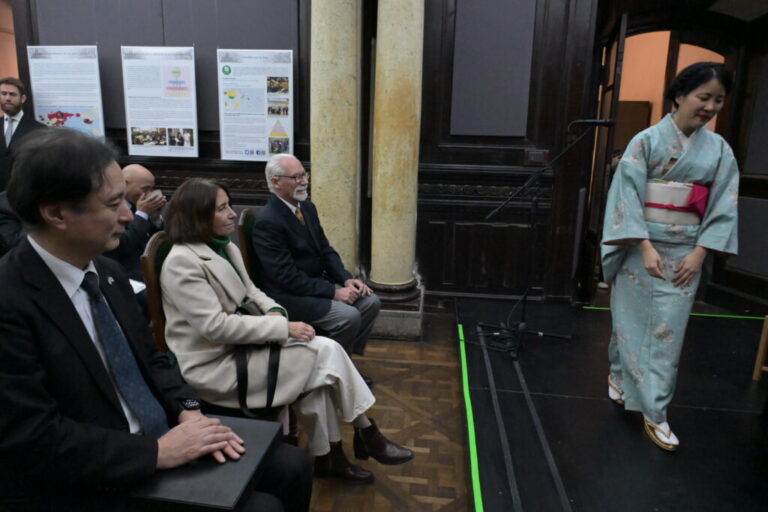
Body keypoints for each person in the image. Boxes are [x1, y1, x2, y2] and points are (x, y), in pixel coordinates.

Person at [0, 129, 312, 512]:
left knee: (293, 465)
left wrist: (188, 409)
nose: (129, 215)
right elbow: (31, 437)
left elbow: (153, 359)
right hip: (90, 471)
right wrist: (155, 452)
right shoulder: (11, 300)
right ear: (56, 213)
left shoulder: (107, 273)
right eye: (114, 203)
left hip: (160, 431)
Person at [160, 178, 414, 483]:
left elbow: (252, 291)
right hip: (216, 365)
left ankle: (331, 456)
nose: (231, 213)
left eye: (229, 205)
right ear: (197, 216)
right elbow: (215, 327)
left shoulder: (224, 246)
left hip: (245, 347)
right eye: (222, 208)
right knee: (326, 352)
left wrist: (276, 312)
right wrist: (283, 328)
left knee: (319, 372)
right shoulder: (181, 262)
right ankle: (364, 433)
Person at [601, 62, 739, 451]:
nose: (710, 106)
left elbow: (723, 204)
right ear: (679, 95)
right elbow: (625, 197)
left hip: (685, 255)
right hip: (638, 248)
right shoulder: (645, 142)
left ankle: (655, 411)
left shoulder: (719, 151)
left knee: (666, 333)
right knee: (628, 322)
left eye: (718, 100)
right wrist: (643, 245)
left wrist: (700, 253)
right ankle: (617, 373)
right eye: (703, 97)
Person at [252, 154, 381, 384]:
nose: (304, 181)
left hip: (313, 285)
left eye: (304, 174)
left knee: (371, 302)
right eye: (296, 177)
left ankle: (344, 364)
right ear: (275, 182)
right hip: (287, 295)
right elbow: (285, 277)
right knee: (348, 316)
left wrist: (346, 279)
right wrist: (333, 291)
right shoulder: (268, 221)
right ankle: (329, 372)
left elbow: (325, 249)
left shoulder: (307, 208)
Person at [104, 164, 165, 282]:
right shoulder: (110, 207)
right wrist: (142, 214)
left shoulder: (139, 206)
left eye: (151, 189)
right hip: (126, 277)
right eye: (145, 189)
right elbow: (123, 245)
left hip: (151, 272)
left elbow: (156, 243)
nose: (149, 193)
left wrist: (155, 218)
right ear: (124, 183)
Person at [0, 77, 45, 190]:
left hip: (25, 192)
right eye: (3, 94)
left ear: (23, 98)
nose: (7, 98)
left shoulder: (38, 129)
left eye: (12, 94)